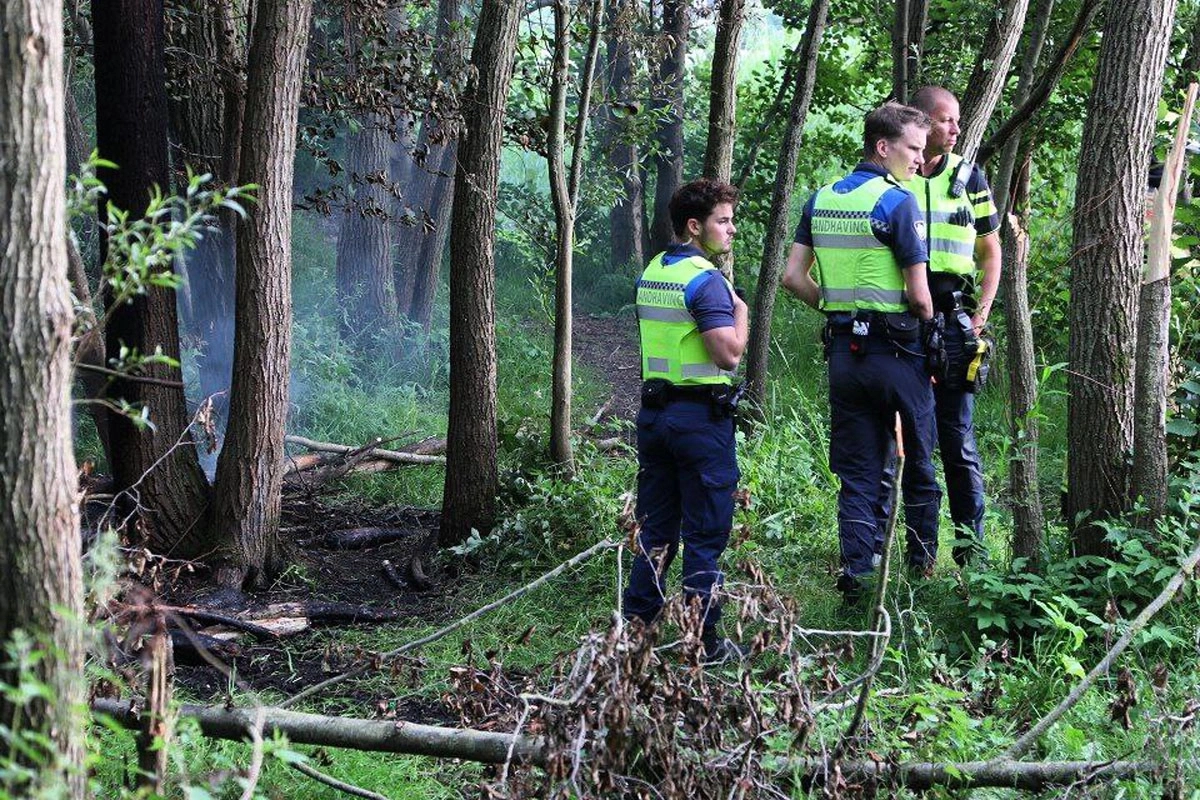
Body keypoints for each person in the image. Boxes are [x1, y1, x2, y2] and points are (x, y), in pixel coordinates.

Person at [781, 103, 941, 601]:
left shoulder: (821, 198)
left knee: (857, 469)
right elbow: (919, 297)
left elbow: (792, 278)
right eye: (914, 149)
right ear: (883, 147)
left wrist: (834, 309)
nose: (920, 159)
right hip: (898, 352)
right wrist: (935, 332)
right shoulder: (898, 203)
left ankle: (858, 574)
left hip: (845, 356)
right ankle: (921, 569)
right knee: (918, 460)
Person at [624, 178, 748, 662]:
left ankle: (638, 634)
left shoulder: (653, 270)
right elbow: (729, 355)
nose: (731, 229)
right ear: (695, 226)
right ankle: (703, 644)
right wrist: (741, 311)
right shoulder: (705, 281)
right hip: (699, 421)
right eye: (723, 220)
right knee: (704, 534)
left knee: (655, 531)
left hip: (654, 418)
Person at [888, 85, 1002, 566]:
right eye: (945, 120)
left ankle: (971, 554)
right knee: (916, 441)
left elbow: (991, 249)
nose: (956, 130)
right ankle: (920, 557)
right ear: (919, 122)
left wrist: (982, 313)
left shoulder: (970, 177)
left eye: (958, 121)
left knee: (958, 440)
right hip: (904, 318)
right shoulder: (894, 181)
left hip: (955, 320)